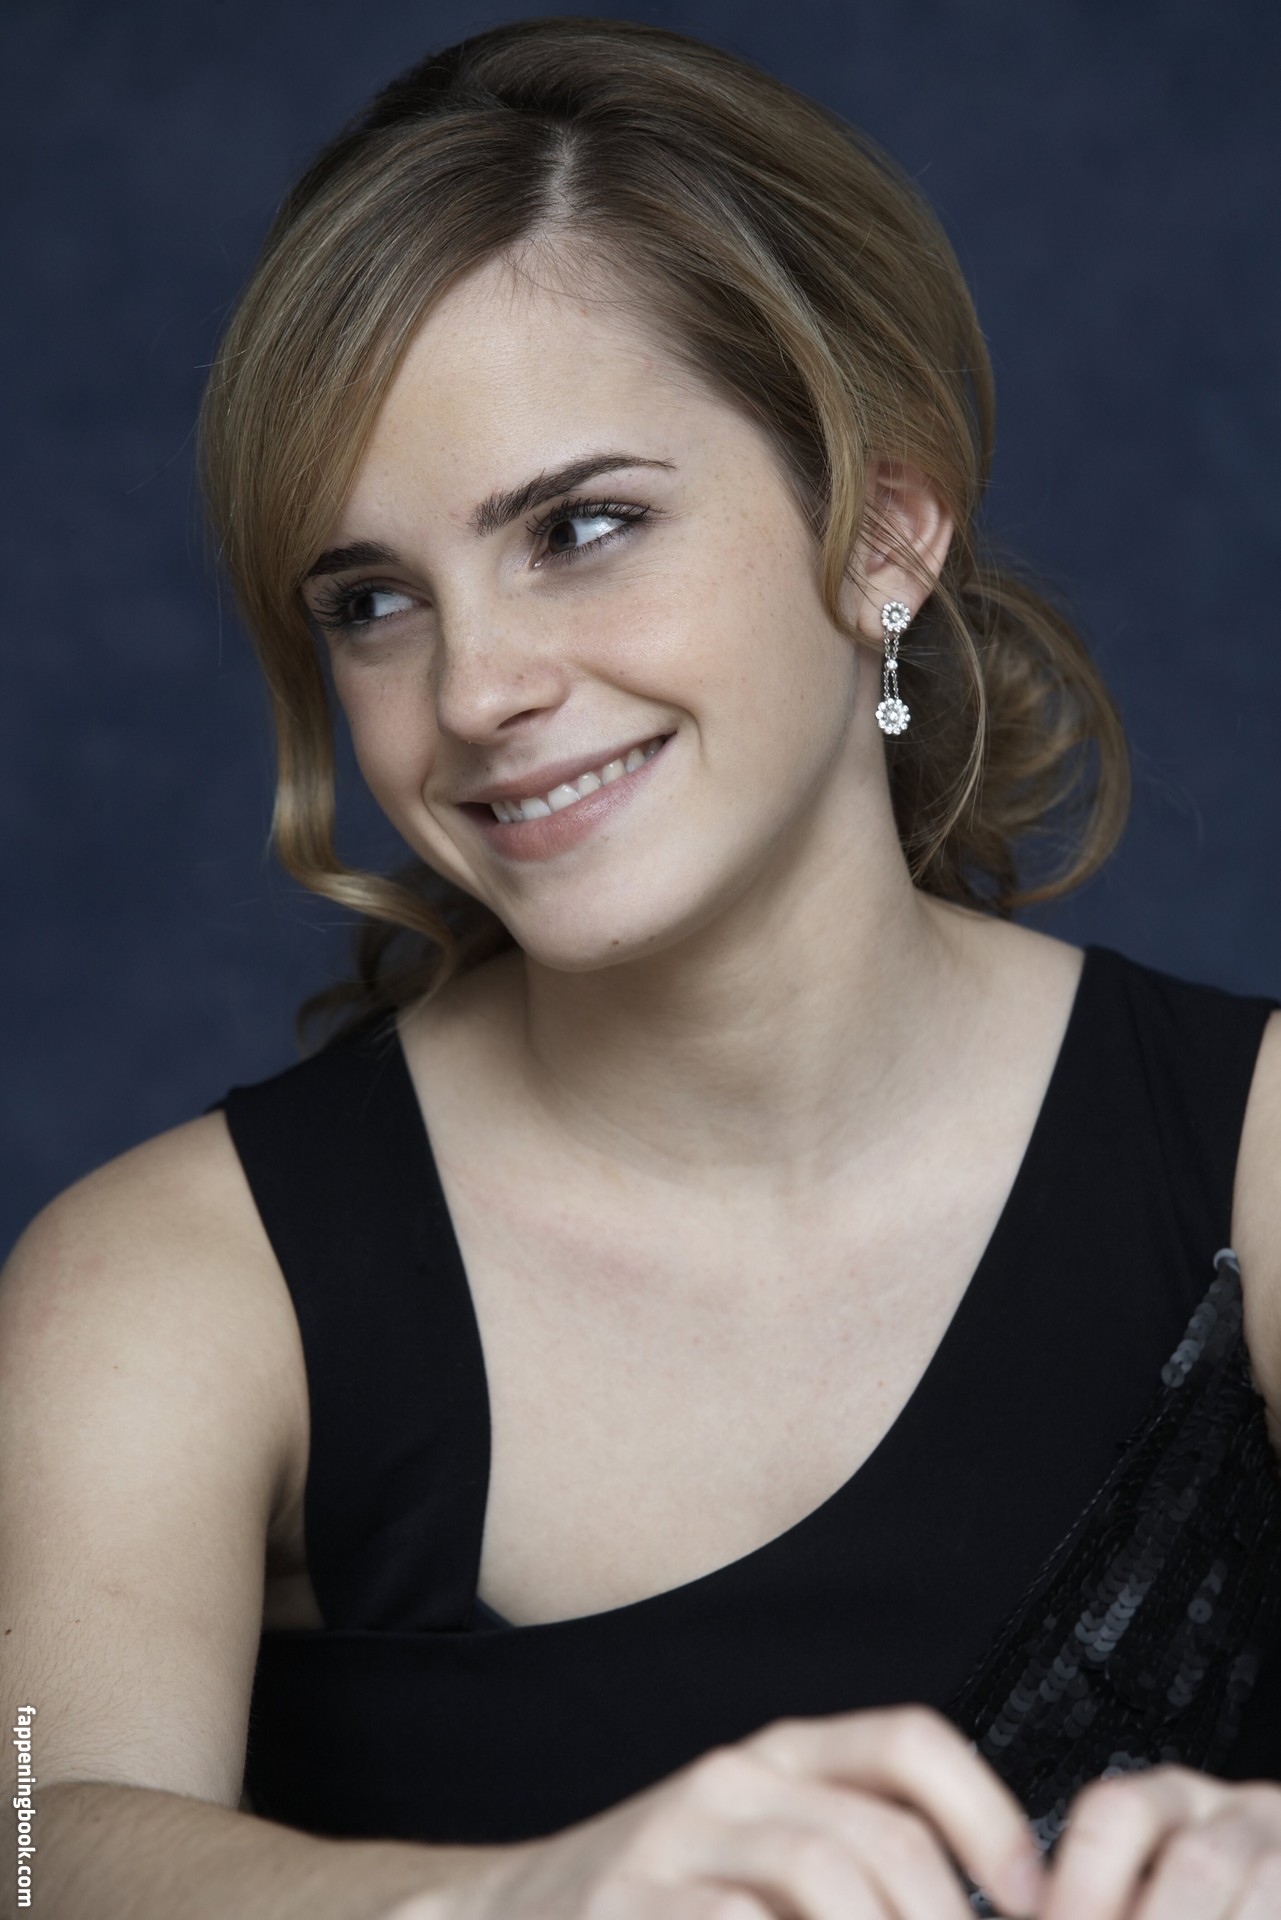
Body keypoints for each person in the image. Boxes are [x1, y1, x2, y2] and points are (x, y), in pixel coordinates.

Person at [2, 16, 1280, 1920]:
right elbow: (31, 1835)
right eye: (374, 601)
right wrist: (512, 1904)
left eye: (579, 527)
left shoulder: (1258, 1151)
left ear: (881, 532)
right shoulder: (167, 1281)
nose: (475, 690)